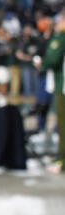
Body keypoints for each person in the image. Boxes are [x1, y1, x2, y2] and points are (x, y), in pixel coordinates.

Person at [39, 11, 65, 173]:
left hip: (63, 84)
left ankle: (63, 159)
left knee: (63, 124)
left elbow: (51, 60)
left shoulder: (61, 37)